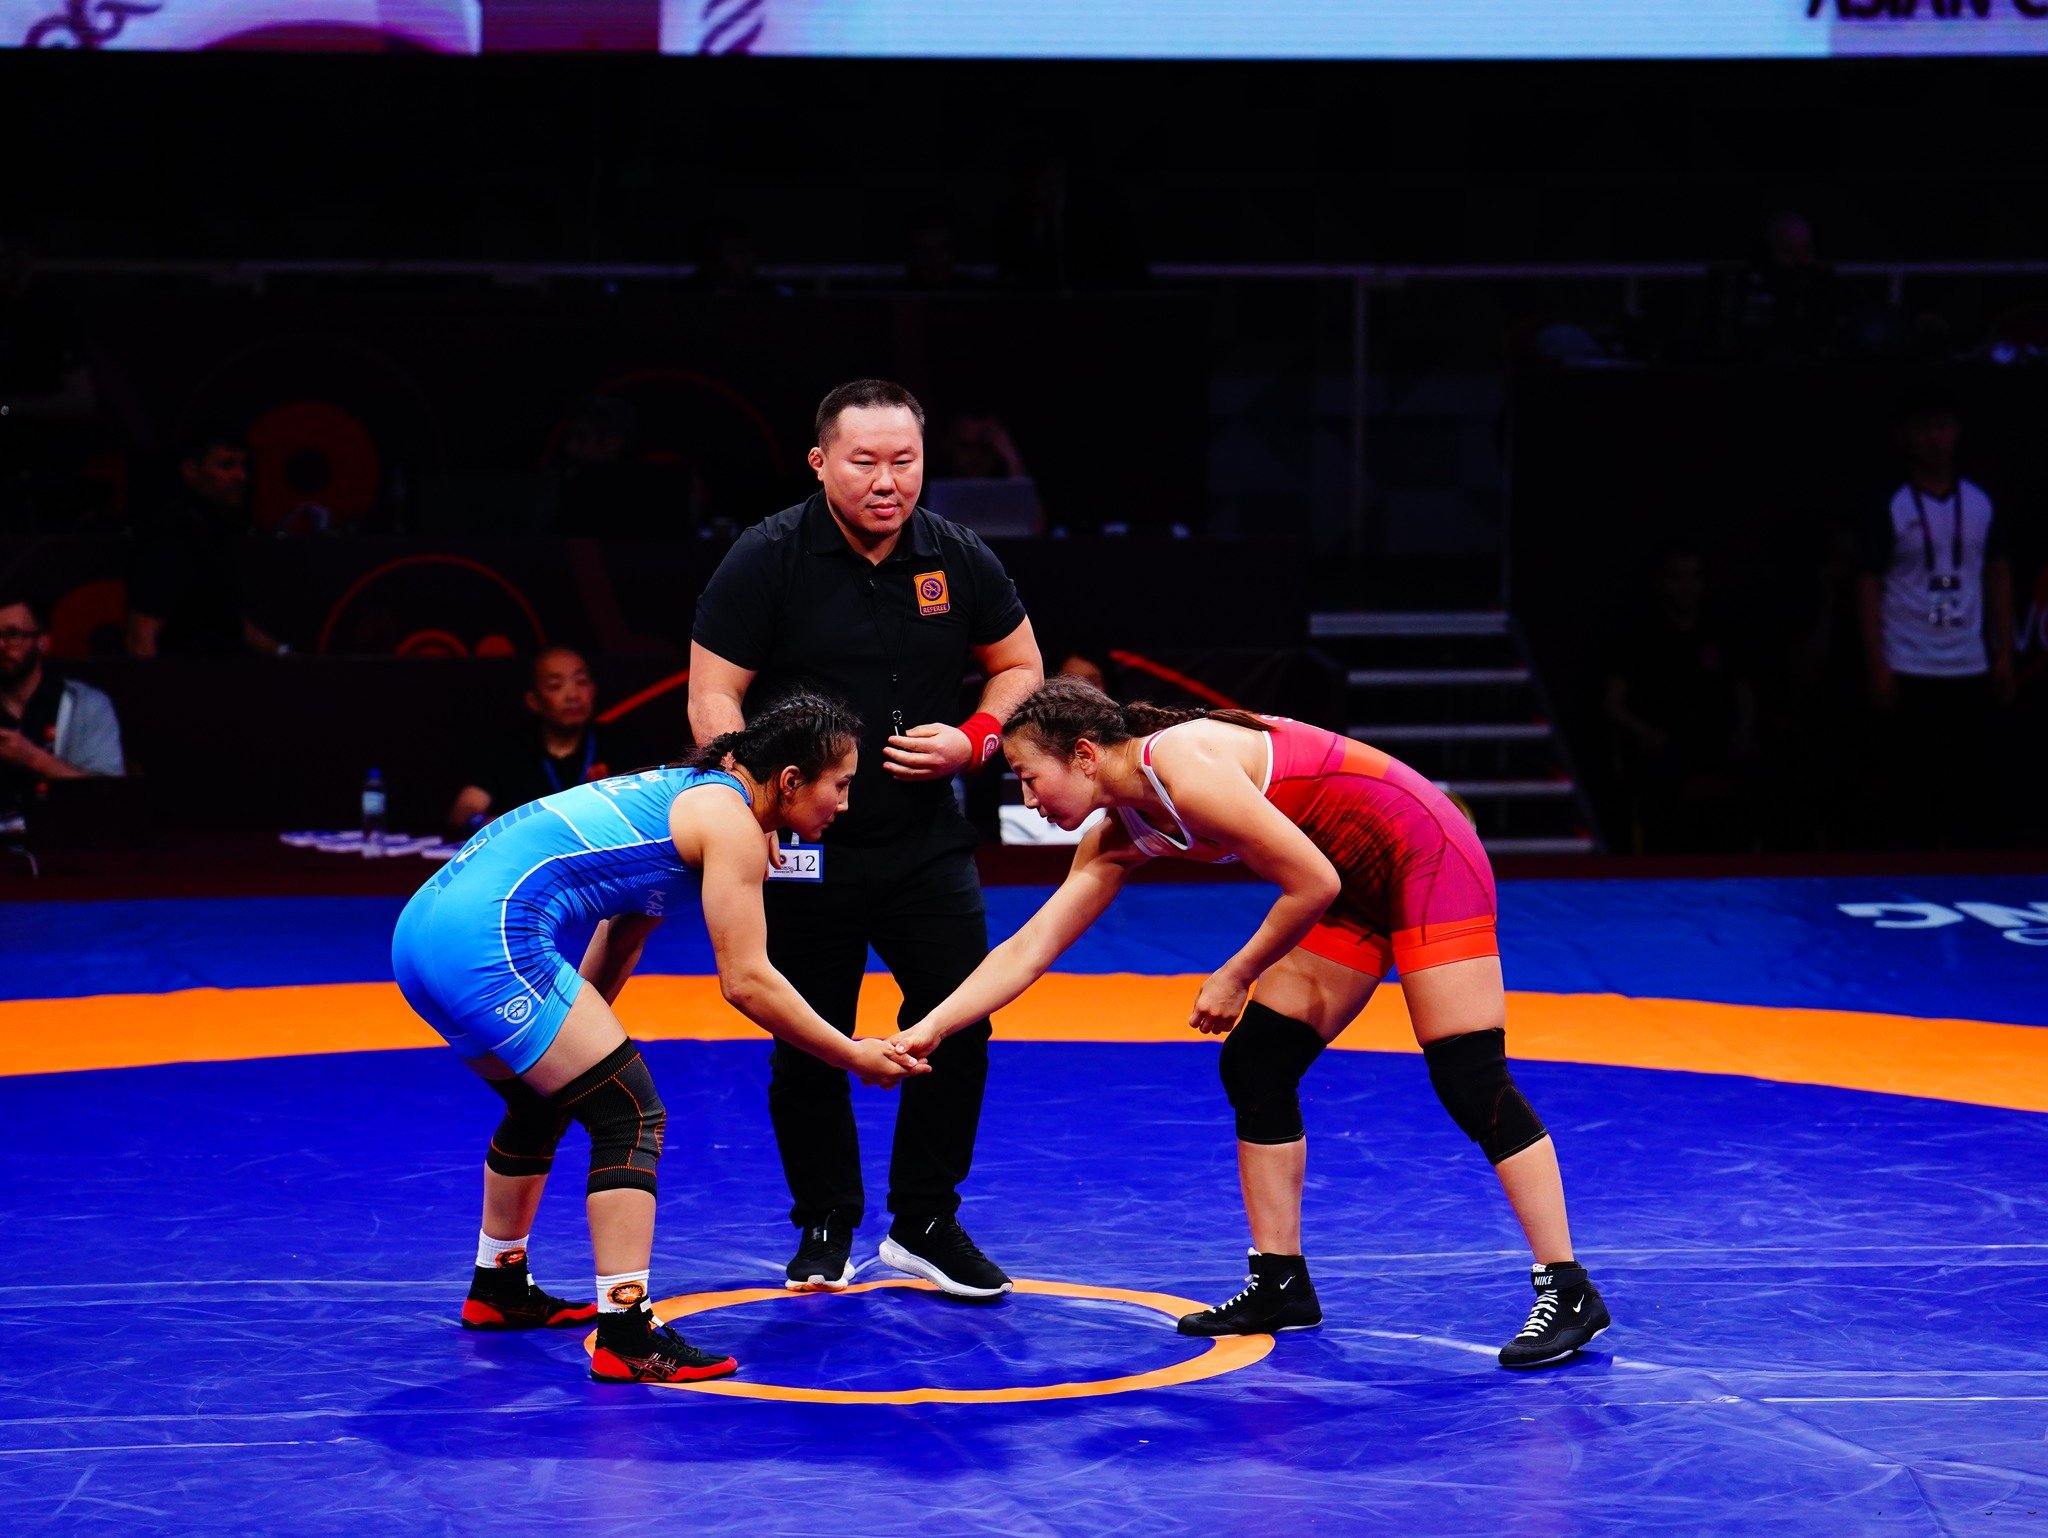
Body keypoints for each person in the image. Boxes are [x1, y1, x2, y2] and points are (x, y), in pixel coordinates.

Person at [887, 678, 1610, 1369]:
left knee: (1467, 1074)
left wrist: (1236, 974)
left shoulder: (1182, 765)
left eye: (1026, 776)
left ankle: (1569, 1287)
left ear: (1082, 754)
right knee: (1258, 1064)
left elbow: (1312, 882)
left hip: (1423, 850)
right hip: (1349, 881)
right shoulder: (1116, 833)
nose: (1027, 798)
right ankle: (1280, 1283)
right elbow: (1028, 948)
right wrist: (933, 1027)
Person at [391, 693, 926, 1386]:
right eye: (841, 785)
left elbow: (621, 931)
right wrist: (851, 1053)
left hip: (424, 930)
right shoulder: (730, 821)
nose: (845, 805)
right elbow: (747, 982)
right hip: (484, 938)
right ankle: (627, 1331)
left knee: (544, 1100)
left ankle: (499, 1285)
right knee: (628, 1113)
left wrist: (572, 1048)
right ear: (791, 780)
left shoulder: (692, 797)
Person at [689, 378, 1043, 1299]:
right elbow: (714, 694)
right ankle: (825, 1223)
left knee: (958, 1021)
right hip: (805, 846)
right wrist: (745, 806)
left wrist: (977, 738)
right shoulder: (766, 556)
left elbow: (1019, 664)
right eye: (864, 462)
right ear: (819, 462)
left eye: (905, 461)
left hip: (925, 840)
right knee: (809, 1033)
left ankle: (925, 1222)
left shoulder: (956, 554)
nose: (887, 482)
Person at [1857, 389, 2016, 849]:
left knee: (1972, 791)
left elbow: (1998, 572)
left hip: (1968, 664)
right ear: (1907, 437)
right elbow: (1868, 583)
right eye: (1925, 429)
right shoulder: (1891, 504)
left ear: (1957, 433)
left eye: (1943, 427)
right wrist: (1877, 664)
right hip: (1909, 663)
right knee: (1911, 795)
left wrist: (2005, 652)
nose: (1935, 439)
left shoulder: (1980, 500)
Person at [1602, 546, 1759, 854]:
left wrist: (1745, 731)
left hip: (1716, 743)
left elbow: (1745, 694)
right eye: (1677, 577)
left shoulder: (1721, 632)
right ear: (1661, 582)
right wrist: (1645, 731)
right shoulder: (1639, 636)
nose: (1687, 586)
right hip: (1663, 745)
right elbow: (1612, 703)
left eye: (1694, 577)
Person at [126, 423, 283, 657]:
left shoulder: (214, 530)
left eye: (243, 465)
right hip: (187, 674)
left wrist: (285, 654)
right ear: (191, 470)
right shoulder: (173, 534)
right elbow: (140, 635)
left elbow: (229, 621)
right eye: (226, 465)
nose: (241, 476)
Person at [445, 647, 631, 838]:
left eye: (581, 682)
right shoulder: (508, 749)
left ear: (593, 690)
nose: (573, 695)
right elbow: (464, 809)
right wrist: (485, 822)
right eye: (555, 686)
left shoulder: (622, 744)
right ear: (533, 701)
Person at [0, 590, 125, 822]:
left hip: (65, 836)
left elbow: (110, 798)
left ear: (42, 643)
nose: (1, 645)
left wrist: (32, 758)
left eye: (13, 634)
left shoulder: (86, 705)